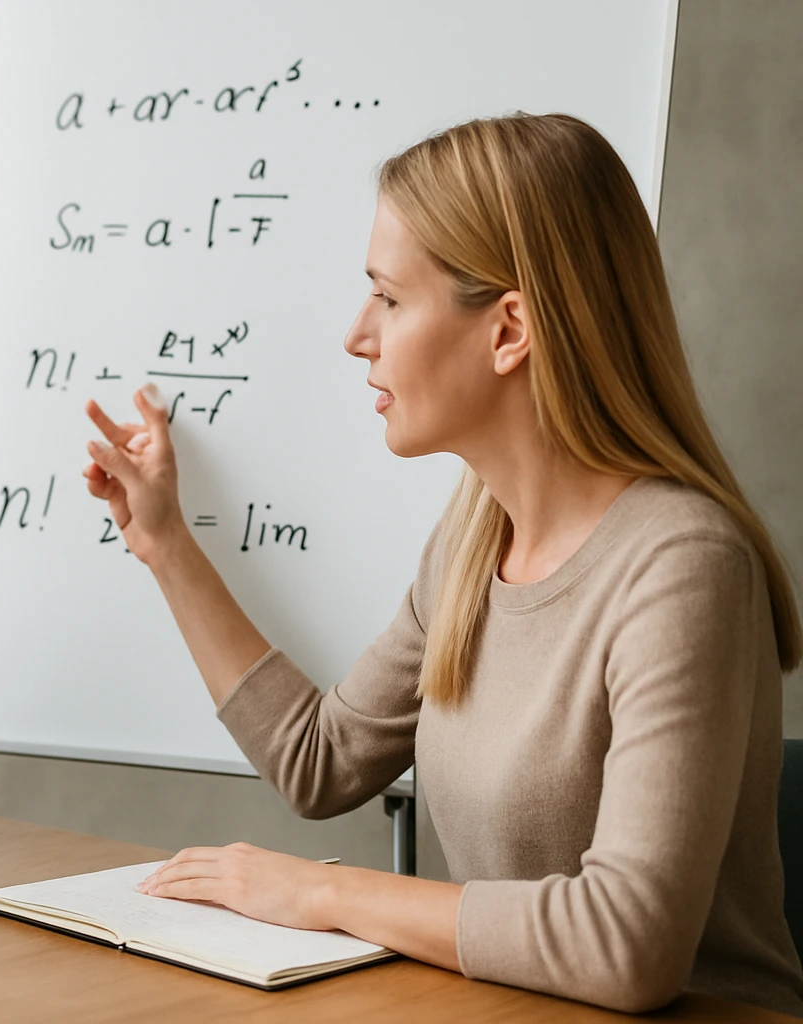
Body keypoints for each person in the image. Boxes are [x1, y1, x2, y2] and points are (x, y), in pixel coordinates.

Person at [80, 113, 803, 1015]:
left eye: (387, 296)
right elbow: (322, 761)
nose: (356, 334)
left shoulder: (682, 570)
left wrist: (327, 894)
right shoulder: (472, 540)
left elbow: (629, 946)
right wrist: (164, 545)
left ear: (509, 331)